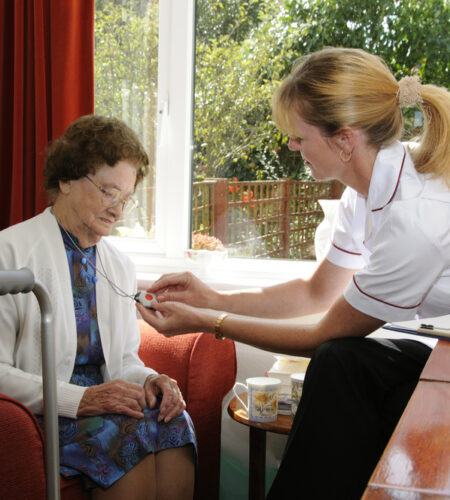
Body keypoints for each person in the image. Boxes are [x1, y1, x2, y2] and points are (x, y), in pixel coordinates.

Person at [137, 47, 450, 499]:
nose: (291, 147)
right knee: (341, 364)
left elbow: (320, 332)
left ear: (344, 140)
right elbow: (315, 292)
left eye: (299, 137)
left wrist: (208, 323)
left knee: (337, 359)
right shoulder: (362, 195)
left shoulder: (414, 219)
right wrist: (212, 298)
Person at [0, 115, 196, 500]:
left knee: (175, 423)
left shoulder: (118, 264)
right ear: (67, 180)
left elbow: (122, 360)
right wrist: (82, 400)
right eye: (109, 192)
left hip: (106, 404)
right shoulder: (10, 253)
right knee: (124, 431)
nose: (118, 210)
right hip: (44, 411)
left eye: (126, 198)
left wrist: (149, 379)